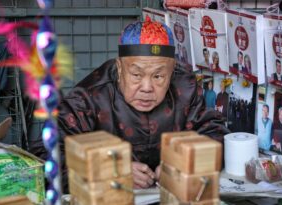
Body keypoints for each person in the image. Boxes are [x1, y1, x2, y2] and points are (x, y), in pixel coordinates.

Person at [49, 17, 229, 191]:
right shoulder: (88, 98)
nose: (147, 88)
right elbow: (48, 157)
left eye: (158, 76)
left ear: (172, 70)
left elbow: (215, 134)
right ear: (119, 68)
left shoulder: (185, 88)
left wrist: (183, 162)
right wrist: (111, 170)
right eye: (136, 75)